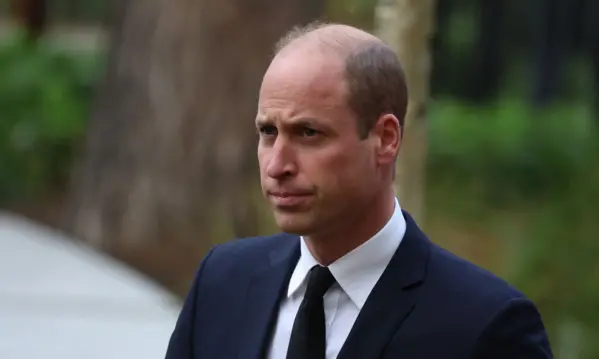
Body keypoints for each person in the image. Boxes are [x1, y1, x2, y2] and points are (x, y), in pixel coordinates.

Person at [165, 22, 553, 359]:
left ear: (385, 139)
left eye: (308, 133)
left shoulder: (485, 324)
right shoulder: (223, 281)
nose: (277, 165)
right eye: (268, 132)